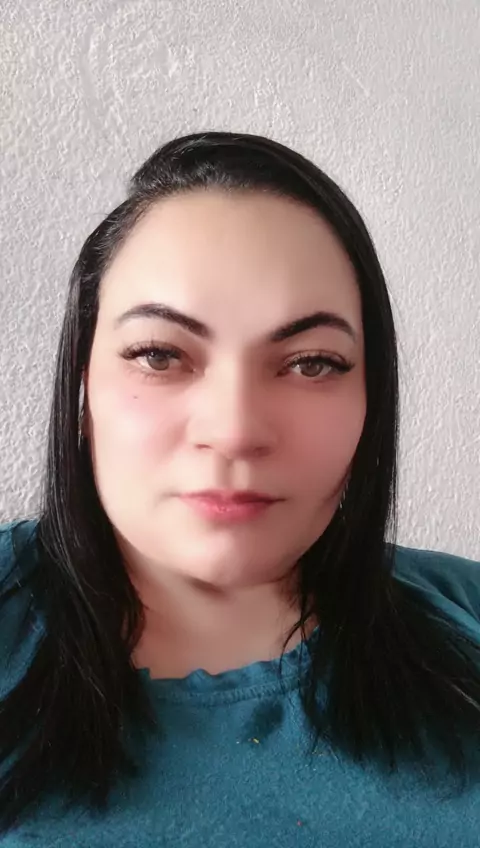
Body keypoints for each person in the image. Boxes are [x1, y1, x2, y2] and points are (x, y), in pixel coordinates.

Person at [0, 131, 479, 847]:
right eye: (159, 355)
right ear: (82, 386)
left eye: (312, 363)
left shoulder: (463, 613)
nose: (234, 431)